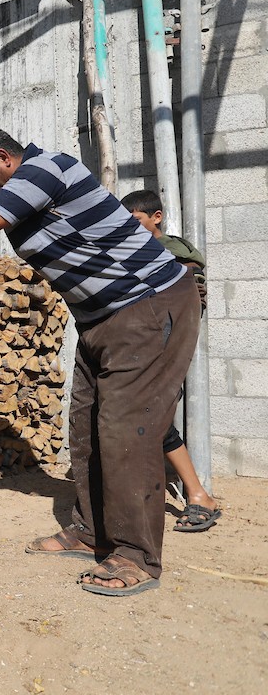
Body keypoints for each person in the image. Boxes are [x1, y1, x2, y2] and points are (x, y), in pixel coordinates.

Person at [0, 96, 201, 597]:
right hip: (102, 319)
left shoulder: (45, 170)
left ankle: (136, 555)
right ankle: (92, 531)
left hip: (148, 304)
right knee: (86, 428)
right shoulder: (7, 183)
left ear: (5, 159)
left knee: (128, 429)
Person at [119, 189, 220, 532]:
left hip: (162, 349)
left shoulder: (174, 255)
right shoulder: (134, 251)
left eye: (136, 220)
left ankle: (199, 495)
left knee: (157, 418)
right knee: (145, 419)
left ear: (156, 217)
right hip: (139, 347)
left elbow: (184, 306)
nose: (130, 226)